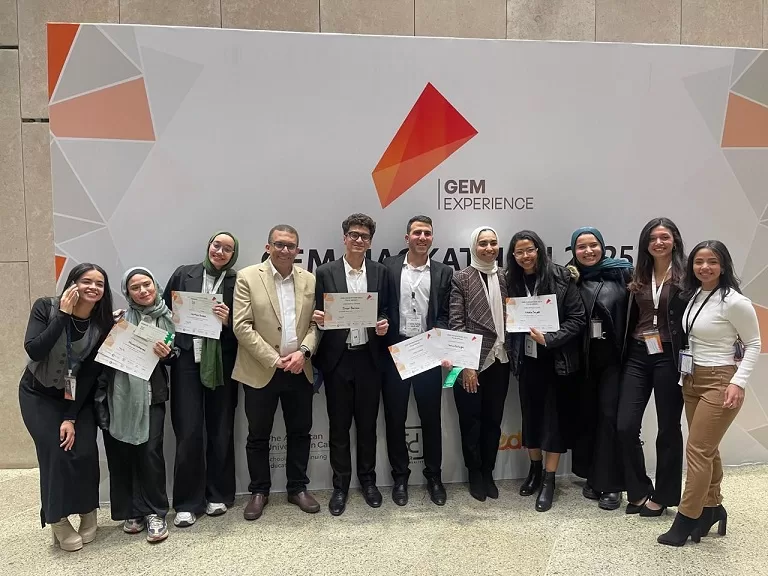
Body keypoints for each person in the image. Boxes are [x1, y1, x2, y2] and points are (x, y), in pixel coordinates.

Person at [658, 241, 761, 546]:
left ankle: (687, 517)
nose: (705, 267)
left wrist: (738, 382)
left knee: (698, 451)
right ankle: (712, 506)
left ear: (723, 265)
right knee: (708, 448)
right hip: (692, 379)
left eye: (712, 262)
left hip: (720, 380)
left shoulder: (735, 301)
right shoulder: (695, 295)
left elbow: (754, 344)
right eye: (699, 262)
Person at [19, 263, 114, 551]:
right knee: (54, 452)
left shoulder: (102, 324)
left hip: (74, 396)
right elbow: (35, 349)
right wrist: (63, 314)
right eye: (86, 281)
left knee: (85, 450)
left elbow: (89, 374)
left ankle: (88, 511)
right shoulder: (46, 307)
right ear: (73, 283)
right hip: (37, 394)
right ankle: (57, 519)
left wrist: (70, 417)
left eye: (99, 283)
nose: (93, 287)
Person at [232, 224, 321, 520]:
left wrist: (303, 352)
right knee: (258, 435)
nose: (285, 250)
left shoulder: (309, 279)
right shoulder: (247, 277)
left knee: (300, 432)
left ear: (298, 250)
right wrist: (274, 359)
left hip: (299, 368)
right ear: (268, 247)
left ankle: (297, 488)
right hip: (261, 369)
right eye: (279, 244)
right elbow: (241, 326)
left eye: (291, 245)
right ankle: (259, 491)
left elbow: (315, 324)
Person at [312, 213, 390, 516]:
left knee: (368, 425)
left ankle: (368, 482)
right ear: (344, 238)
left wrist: (383, 323)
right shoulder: (325, 271)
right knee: (339, 426)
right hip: (338, 359)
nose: (359, 240)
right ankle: (340, 486)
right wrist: (319, 318)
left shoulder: (380, 271)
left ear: (370, 242)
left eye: (365, 236)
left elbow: (386, 309)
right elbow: (317, 312)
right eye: (354, 235)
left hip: (369, 358)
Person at [163, 232, 239, 527]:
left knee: (221, 429)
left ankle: (217, 494)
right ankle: (186, 502)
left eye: (228, 249)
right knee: (189, 431)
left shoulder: (237, 281)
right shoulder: (184, 274)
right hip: (186, 361)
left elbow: (246, 326)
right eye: (217, 245)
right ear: (209, 246)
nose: (220, 251)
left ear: (233, 254)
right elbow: (164, 312)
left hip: (222, 362)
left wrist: (228, 321)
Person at [507, 230, 586, 512]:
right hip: (526, 361)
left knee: (553, 423)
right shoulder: (512, 280)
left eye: (530, 250)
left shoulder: (562, 277)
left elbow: (578, 319)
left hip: (556, 361)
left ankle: (549, 480)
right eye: (519, 252)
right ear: (513, 256)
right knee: (531, 418)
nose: (525, 256)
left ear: (539, 250)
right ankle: (535, 470)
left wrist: (550, 339)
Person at [97, 268, 177, 543]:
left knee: (150, 453)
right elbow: (106, 359)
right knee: (126, 452)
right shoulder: (118, 321)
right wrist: (110, 331)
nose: (143, 291)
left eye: (147, 285)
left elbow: (178, 354)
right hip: (121, 398)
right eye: (135, 287)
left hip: (152, 396)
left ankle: (156, 512)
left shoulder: (169, 318)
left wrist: (168, 355)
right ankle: (134, 511)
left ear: (155, 285)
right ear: (127, 293)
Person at [618, 217, 690, 517]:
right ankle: (638, 489)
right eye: (652, 238)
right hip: (638, 352)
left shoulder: (687, 275)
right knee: (625, 425)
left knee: (668, 428)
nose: (658, 243)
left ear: (675, 240)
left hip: (669, 355)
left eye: (664, 237)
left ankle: (664, 496)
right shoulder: (638, 273)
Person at [382, 215, 453, 506]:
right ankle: (400, 478)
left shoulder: (444, 271)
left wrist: (439, 339)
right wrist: (383, 322)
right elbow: (382, 305)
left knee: (431, 418)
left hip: (427, 351)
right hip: (396, 351)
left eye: (427, 233)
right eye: (417, 233)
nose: (422, 237)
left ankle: (434, 477)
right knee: (394, 418)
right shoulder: (388, 267)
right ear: (407, 237)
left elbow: (445, 313)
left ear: (432, 238)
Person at [568, 227, 633, 511]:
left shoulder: (622, 273)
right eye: (581, 247)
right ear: (574, 251)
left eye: (593, 245)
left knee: (609, 418)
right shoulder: (570, 278)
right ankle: (595, 476)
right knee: (588, 418)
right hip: (582, 363)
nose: (588, 251)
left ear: (603, 246)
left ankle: (612, 484)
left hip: (614, 361)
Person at [449, 226, 509, 502]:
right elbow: (456, 323)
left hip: (500, 360)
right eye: (483, 243)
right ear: (474, 247)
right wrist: (466, 365)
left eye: (493, 243)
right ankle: (474, 473)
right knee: (470, 421)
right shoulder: (461, 277)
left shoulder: (506, 276)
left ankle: (488, 472)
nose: (488, 248)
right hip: (472, 363)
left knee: (493, 421)